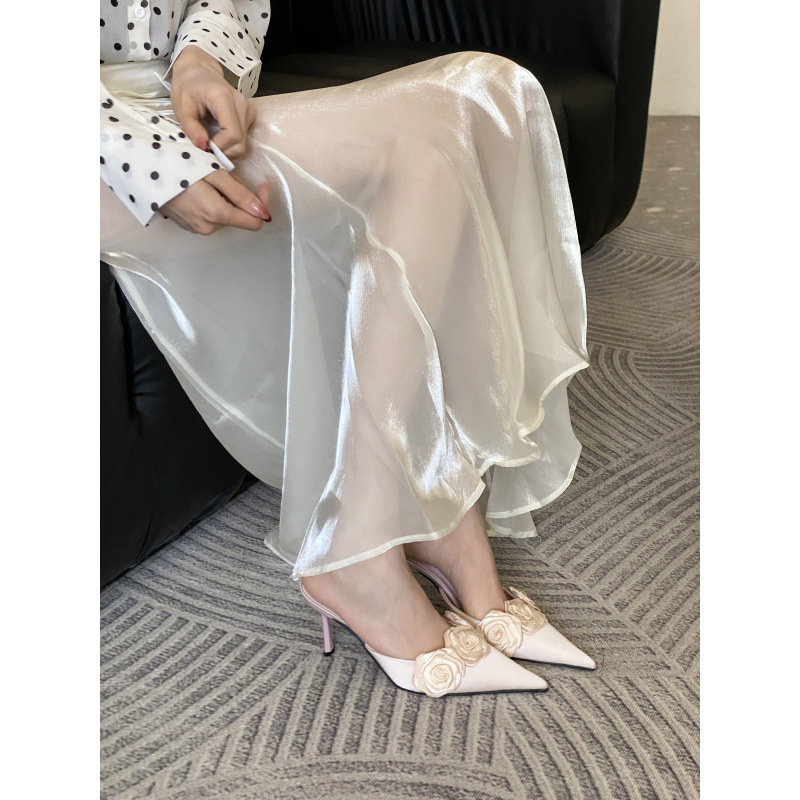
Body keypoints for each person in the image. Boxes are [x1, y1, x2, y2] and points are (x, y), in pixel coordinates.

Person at [100, 1, 596, 698]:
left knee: (490, 90)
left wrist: (198, 62)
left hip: (176, 107)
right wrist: (143, 161)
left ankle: (433, 506)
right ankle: (355, 548)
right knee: (421, 145)